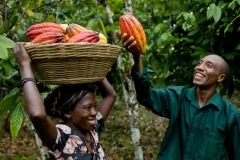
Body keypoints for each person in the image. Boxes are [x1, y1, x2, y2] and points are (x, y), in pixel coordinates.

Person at [117, 32, 240, 160]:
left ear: (220, 77)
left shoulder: (230, 115)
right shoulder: (178, 97)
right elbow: (147, 96)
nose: (199, 68)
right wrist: (137, 57)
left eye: (208, 66)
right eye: (199, 63)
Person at [13, 42, 117, 160]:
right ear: (67, 112)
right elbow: (38, 115)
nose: (94, 112)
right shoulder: (61, 137)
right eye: (87, 107)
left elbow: (110, 95)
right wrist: (25, 64)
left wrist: (94, 66)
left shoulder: (93, 129)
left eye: (95, 106)